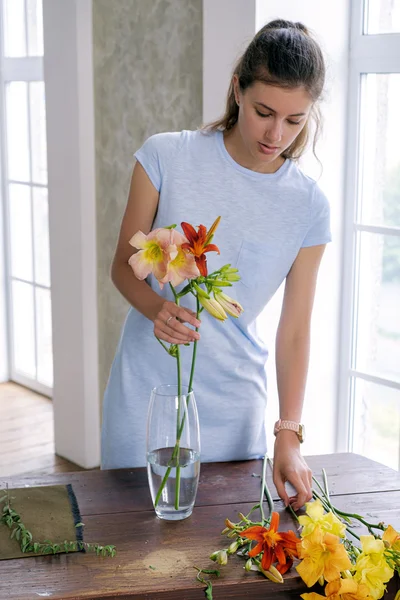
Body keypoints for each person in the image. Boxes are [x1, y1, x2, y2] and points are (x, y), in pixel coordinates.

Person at [101, 19, 331, 512]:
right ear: (237, 90)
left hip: (233, 406)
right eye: (264, 112)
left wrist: (288, 432)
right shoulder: (166, 156)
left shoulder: (308, 205)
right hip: (146, 394)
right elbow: (124, 265)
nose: (276, 134)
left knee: (223, 571)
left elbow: (295, 329)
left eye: (294, 121)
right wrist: (154, 309)